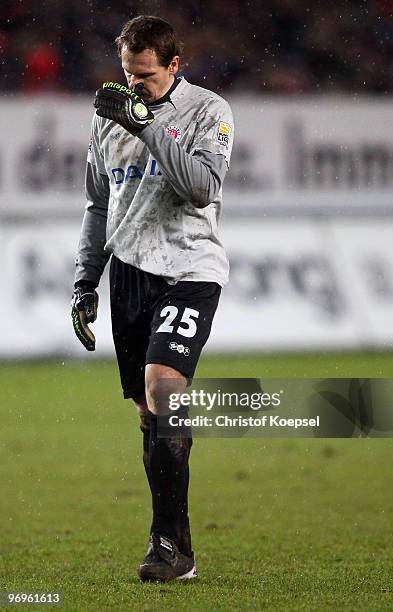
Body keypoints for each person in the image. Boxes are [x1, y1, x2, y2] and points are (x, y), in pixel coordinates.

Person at [71, 15, 234, 582]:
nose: (133, 87)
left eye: (145, 77)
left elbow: (202, 188)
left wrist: (147, 127)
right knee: (149, 411)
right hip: (132, 273)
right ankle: (179, 540)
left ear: (173, 65)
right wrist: (85, 280)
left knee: (164, 388)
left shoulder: (208, 111)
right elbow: (97, 205)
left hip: (191, 266)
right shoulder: (107, 118)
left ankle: (166, 545)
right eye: (126, 75)